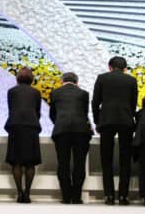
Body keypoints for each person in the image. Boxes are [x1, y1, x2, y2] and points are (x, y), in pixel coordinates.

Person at [91, 56, 138, 205]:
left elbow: (95, 102)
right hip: (125, 121)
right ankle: (124, 196)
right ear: (125, 68)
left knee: (106, 159)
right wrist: (129, 116)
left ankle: (109, 196)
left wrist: (98, 120)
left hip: (107, 121)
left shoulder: (102, 78)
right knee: (125, 159)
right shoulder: (131, 80)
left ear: (109, 66)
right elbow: (133, 102)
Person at [49, 71, 92, 205]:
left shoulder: (55, 93)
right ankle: (77, 196)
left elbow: (52, 114)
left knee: (63, 163)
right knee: (79, 163)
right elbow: (84, 113)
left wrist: (60, 123)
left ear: (62, 81)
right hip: (81, 130)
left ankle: (66, 196)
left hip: (62, 130)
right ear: (77, 82)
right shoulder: (84, 94)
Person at [4, 67, 42, 203]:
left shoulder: (12, 92)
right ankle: (27, 193)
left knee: (16, 161)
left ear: (18, 78)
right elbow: (38, 112)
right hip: (31, 127)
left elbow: (11, 109)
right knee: (30, 162)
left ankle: (19, 192)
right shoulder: (36, 92)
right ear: (31, 78)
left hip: (15, 126)